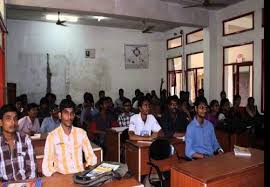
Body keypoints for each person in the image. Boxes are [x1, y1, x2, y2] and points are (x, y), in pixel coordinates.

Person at [42, 99, 97, 176]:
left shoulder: (81, 133)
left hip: (80, 177)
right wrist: (59, 177)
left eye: (71, 114)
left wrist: (88, 168)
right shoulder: (52, 137)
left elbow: (91, 156)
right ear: (60, 115)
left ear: (74, 115)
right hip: (62, 179)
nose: (69, 117)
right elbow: (46, 166)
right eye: (66, 113)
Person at [0, 104, 37, 181]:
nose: (13, 122)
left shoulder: (26, 140)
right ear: (1, 122)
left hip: (24, 184)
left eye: (15, 118)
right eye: (8, 118)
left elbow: (32, 172)